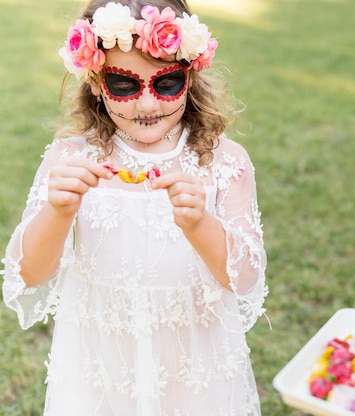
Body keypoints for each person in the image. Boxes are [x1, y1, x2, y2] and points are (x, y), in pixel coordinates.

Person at [1, 1, 268, 415]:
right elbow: (27, 273)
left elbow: (246, 278)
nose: (146, 105)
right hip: (103, 368)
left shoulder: (223, 161)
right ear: (95, 82)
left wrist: (200, 224)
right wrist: (57, 212)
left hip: (195, 365)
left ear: (191, 75)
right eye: (124, 85)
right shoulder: (71, 159)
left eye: (166, 84)